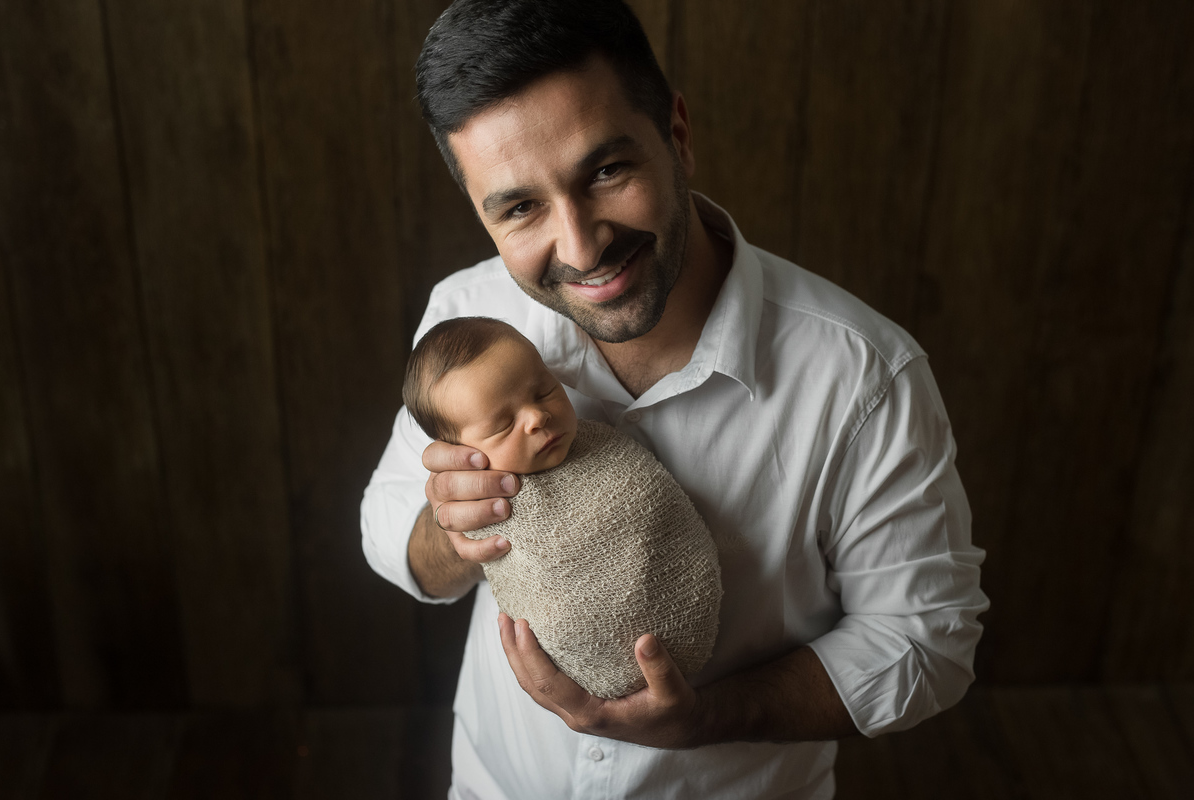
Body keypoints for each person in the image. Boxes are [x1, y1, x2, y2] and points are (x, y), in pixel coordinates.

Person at [361, 0, 989, 797]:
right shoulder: (465, 320)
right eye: (520, 207)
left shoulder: (865, 378)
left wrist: (708, 719)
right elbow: (387, 534)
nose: (582, 247)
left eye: (607, 172)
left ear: (678, 135)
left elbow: (928, 642)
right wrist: (454, 530)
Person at [400, 315, 722, 700]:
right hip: (559, 680)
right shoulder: (485, 496)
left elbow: (653, 504)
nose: (537, 417)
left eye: (544, 391)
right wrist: (458, 513)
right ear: (459, 453)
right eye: (503, 424)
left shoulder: (603, 446)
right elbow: (388, 537)